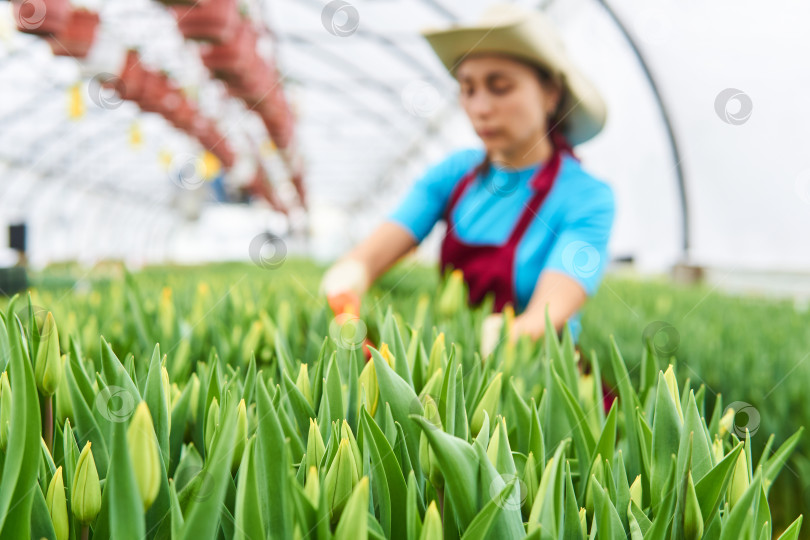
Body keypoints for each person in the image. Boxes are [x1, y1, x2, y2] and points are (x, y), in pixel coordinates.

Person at [320, 4, 615, 356]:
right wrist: (351, 276)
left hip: (540, 370)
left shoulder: (587, 197)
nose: (480, 107)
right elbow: (370, 256)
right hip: (454, 362)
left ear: (551, 95)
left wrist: (517, 333)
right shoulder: (454, 175)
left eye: (500, 87)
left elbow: (548, 312)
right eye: (468, 89)